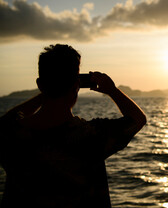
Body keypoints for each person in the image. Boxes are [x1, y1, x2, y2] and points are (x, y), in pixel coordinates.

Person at [0, 44, 147, 207]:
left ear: (40, 85)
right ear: (76, 86)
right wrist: (111, 90)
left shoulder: (11, 134)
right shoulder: (90, 136)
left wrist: (47, 92)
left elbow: (6, 120)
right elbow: (137, 119)